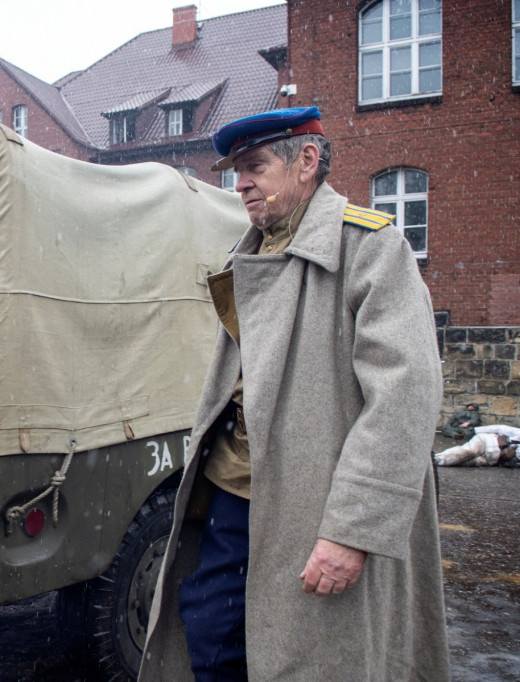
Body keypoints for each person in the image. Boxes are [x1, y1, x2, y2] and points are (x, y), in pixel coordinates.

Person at [138, 107, 449, 681]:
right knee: (211, 634)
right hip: (236, 489)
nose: (241, 184)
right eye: (237, 171)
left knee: (314, 657)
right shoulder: (250, 250)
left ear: (306, 161)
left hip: (320, 502)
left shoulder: (370, 247)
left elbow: (404, 396)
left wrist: (352, 530)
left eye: (255, 167)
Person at [434, 424, 520, 466]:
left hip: (492, 459)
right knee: (468, 452)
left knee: (465, 463)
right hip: (487, 442)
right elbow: (499, 428)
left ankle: (440, 462)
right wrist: (476, 430)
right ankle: (438, 459)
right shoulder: (518, 433)